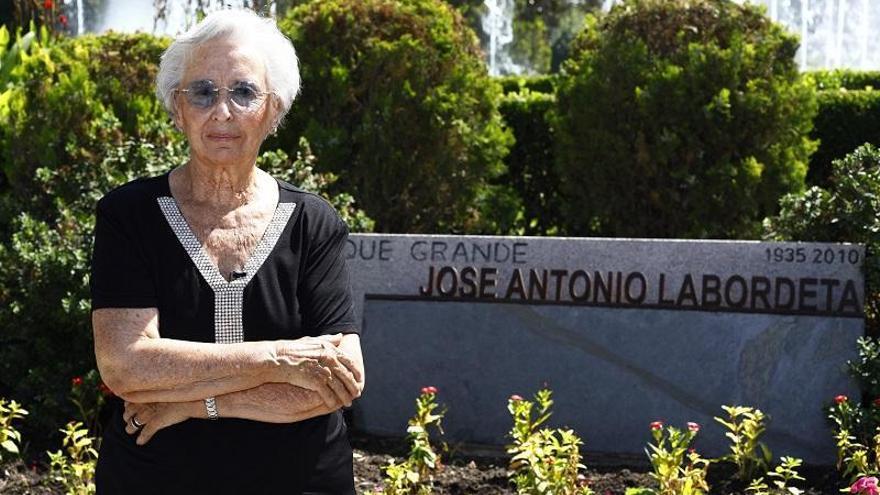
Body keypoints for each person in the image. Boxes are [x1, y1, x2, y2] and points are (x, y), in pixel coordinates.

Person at [89, 9, 364, 494]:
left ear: (273, 110)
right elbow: (126, 366)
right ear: (177, 108)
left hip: (301, 480)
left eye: (243, 92)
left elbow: (337, 381)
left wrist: (189, 402)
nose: (222, 112)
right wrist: (279, 358)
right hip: (157, 480)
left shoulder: (313, 222)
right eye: (202, 92)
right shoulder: (128, 215)